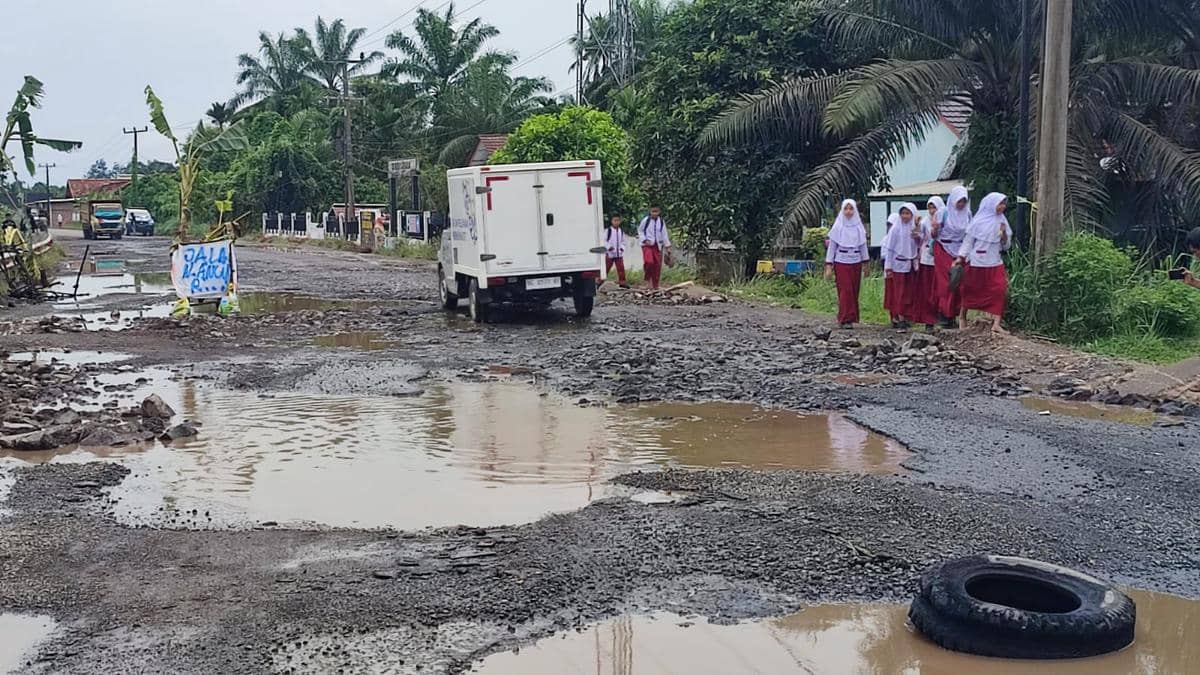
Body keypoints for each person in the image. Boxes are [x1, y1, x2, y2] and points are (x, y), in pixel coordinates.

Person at [954, 192, 1012, 333]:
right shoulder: (978, 222)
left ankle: (996, 323)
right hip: (977, 262)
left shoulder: (1002, 221)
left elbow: (1006, 246)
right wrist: (960, 258)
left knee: (1000, 289)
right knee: (968, 289)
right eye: (999, 204)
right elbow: (968, 242)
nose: (1002, 207)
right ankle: (962, 317)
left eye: (1004, 204)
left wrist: (1004, 234)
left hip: (994, 261)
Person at [824, 199, 870, 329]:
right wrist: (829, 265)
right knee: (845, 290)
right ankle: (844, 318)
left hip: (855, 261)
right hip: (841, 261)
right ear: (842, 210)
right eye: (846, 209)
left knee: (854, 290)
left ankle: (852, 316)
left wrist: (866, 264)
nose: (848, 212)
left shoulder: (858, 227)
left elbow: (863, 246)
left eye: (851, 209)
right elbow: (832, 246)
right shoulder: (838, 226)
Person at [935, 186, 972, 327]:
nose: (961, 204)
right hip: (944, 249)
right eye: (959, 200)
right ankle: (944, 314)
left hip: (961, 250)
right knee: (947, 282)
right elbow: (934, 234)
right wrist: (934, 228)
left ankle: (955, 314)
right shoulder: (943, 213)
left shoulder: (967, 213)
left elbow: (970, 232)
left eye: (964, 201)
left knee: (959, 282)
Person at [882, 203, 922, 330]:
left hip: (911, 264)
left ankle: (908, 315)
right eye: (903, 213)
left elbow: (919, 244)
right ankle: (900, 317)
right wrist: (888, 266)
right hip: (898, 265)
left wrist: (917, 234)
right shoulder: (896, 229)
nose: (905, 216)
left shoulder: (914, 228)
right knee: (900, 292)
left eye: (908, 213)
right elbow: (890, 248)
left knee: (910, 292)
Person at [911, 197, 945, 330]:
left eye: (934, 207)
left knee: (940, 289)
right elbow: (916, 236)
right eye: (929, 207)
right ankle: (928, 320)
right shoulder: (925, 221)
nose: (931, 210)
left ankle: (944, 316)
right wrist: (916, 225)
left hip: (940, 258)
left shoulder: (946, 221)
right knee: (927, 290)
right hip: (927, 258)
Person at [638, 206, 672, 290]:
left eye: (656, 211)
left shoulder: (661, 221)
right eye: (653, 211)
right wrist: (645, 240)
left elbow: (664, 234)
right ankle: (647, 281)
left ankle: (655, 285)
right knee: (649, 262)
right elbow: (640, 231)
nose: (654, 213)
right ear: (650, 211)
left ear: (659, 212)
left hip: (658, 245)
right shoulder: (646, 220)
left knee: (657, 265)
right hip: (647, 245)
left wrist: (668, 246)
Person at [604, 214, 629, 288]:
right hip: (610, 253)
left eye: (618, 220)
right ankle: (599, 281)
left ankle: (622, 282)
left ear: (620, 221)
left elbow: (624, 241)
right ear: (612, 221)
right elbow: (604, 241)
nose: (616, 222)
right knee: (606, 268)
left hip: (619, 254)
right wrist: (609, 247)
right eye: (615, 220)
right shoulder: (608, 231)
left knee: (621, 268)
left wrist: (622, 248)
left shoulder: (621, 231)